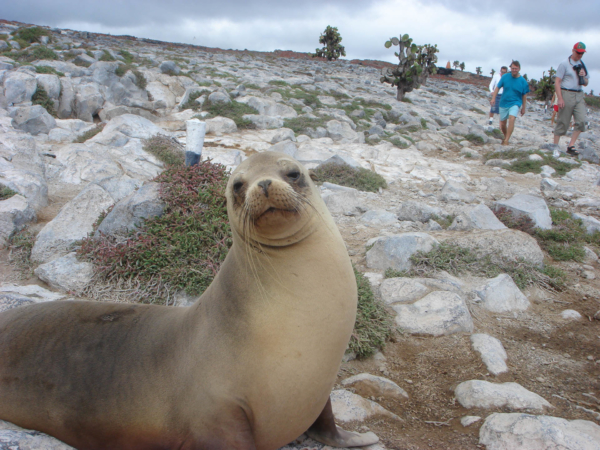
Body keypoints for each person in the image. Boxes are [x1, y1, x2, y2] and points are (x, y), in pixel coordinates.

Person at [553, 42, 590, 156]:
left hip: (578, 94)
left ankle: (571, 145)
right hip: (566, 93)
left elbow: (586, 83)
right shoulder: (564, 64)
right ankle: (555, 146)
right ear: (573, 51)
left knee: (581, 120)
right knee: (563, 121)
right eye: (578, 53)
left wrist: (583, 76)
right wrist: (560, 98)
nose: (580, 55)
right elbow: (557, 82)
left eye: (582, 53)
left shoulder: (582, 64)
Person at [490, 61, 530, 145]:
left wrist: (523, 107)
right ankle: (506, 136)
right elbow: (497, 87)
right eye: (512, 68)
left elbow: (524, 95)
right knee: (502, 124)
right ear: (510, 68)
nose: (514, 70)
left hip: (515, 103)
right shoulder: (505, 77)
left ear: (519, 69)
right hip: (504, 102)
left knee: (512, 119)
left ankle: (506, 140)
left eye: (516, 68)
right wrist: (493, 98)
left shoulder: (523, 81)